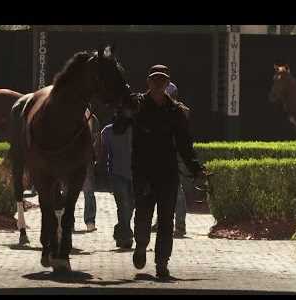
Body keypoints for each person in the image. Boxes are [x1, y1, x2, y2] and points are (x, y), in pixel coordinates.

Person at [129, 65, 205, 279]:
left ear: (167, 84)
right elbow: (120, 126)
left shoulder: (175, 111)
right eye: (155, 80)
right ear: (148, 82)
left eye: (162, 81)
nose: (158, 84)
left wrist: (196, 168)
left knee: (165, 221)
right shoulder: (137, 106)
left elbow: (184, 144)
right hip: (143, 173)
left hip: (167, 174)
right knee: (143, 216)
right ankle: (141, 246)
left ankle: (162, 263)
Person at [151, 80, 189, 237]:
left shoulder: (180, 111)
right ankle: (161, 221)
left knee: (176, 191)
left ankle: (180, 226)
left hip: (173, 154)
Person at [101, 109, 134, 249]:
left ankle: (122, 232)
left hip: (134, 174)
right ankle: (125, 236)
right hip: (117, 174)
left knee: (130, 206)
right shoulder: (107, 132)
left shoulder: (135, 129)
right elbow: (103, 153)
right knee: (123, 206)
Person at [82, 107, 100, 232]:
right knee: (67, 191)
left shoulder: (92, 118)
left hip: (86, 158)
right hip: (71, 159)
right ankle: (68, 220)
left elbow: (96, 138)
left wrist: (95, 155)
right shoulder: (68, 113)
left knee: (89, 191)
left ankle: (90, 220)